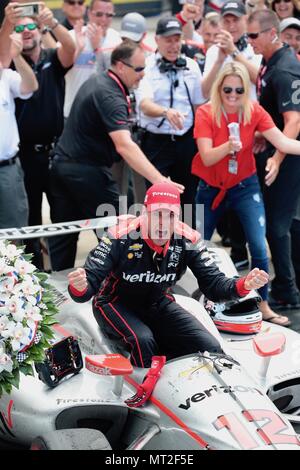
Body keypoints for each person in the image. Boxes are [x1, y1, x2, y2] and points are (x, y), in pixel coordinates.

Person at [67, 182, 270, 368]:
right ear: (144, 213)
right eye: (157, 214)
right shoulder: (119, 236)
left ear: (179, 216)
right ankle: (142, 400)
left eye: (170, 215)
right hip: (114, 303)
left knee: (210, 346)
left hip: (158, 302)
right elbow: (86, 288)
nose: (163, 223)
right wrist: (80, 285)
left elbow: (214, 286)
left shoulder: (189, 238)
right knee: (144, 341)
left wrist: (245, 284)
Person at [49, 41, 184, 272]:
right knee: (121, 229)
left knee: (64, 238)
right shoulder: (110, 94)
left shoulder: (100, 81)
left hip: (62, 167)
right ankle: (124, 288)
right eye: (139, 69)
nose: (142, 75)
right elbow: (125, 146)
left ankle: (64, 295)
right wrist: (160, 180)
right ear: (120, 66)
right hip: (85, 171)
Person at [192, 61, 300, 325]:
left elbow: (283, 141)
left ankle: (262, 303)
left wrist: (273, 156)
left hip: (244, 186)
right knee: (195, 246)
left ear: (246, 91)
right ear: (218, 88)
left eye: (239, 90)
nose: (232, 95)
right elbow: (206, 157)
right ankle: (196, 302)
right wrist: (228, 146)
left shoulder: (253, 111)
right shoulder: (206, 112)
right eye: (227, 89)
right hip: (211, 188)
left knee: (259, 246)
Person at [10, 7, 75, 269]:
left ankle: (63, 270)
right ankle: (35, 274)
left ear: (39, 31)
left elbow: (71, 49)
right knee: (31, 219)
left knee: (63, 215)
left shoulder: (52, 58)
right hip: (24, 155)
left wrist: (54, 24)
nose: (25, 33)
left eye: (30, 28)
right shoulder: (9, 65)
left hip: (55, 153)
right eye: (19, 29)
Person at [248, 9, 300, 309]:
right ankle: (289, 284)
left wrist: (278, 157)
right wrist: (262, 135)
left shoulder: (284, 69)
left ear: (272, 34)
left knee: (278, 227)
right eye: (248, 35)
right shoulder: (268, 63)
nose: (250, 41)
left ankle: (287, 291)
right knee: (283, 224)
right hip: (274, 152)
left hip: (287, 158)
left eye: (254, 36)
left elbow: (293, 121)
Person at [135, 16, 205, 228]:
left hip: (186, 141)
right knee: (159, 199)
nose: (174, 45)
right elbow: (144, 104)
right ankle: (159, 248)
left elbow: (199, 105)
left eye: (177, 40)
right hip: (157, 142)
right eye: (168, 40)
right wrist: (166, 112)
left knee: (189, 197)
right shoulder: (146, 66)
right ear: (157, 40)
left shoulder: (191, 66)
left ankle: (189, 248)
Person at [0, 32, 38, 229]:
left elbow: (30, 86)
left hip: (7, 169)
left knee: (14, 233)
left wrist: (16, 56)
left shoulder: (6, 76)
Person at [64, 0, 121, 119]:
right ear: (89, 14)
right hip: (74, 112)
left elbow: (115, 76)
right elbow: (60, 68)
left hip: (104, 112)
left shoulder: (116, 39)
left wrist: (97, 49)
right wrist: (79, 49)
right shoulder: (72, 36)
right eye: (99, 14)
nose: (104, 19)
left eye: (109, 15)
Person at [202, 0, 262, 100]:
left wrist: (233, 52)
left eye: (236, 20)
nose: (231, 26)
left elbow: (260, 81)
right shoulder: (213, 50)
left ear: (246, 20)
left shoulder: (257, 46)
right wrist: (219, 62)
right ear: (220, 23)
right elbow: (205, 93)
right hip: (221, 113)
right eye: (227, 21)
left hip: (251, 112)